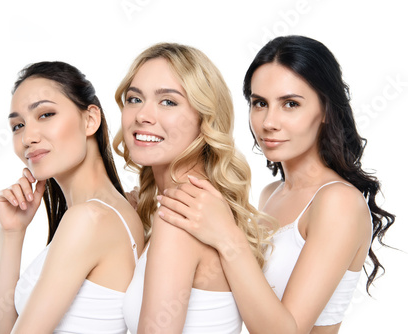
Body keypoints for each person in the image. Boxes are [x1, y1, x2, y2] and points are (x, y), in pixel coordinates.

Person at [157, 35, 396, 333]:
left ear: (325, 110)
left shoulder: (338, 202)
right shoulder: (271, 194)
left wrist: (228, 237)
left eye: (290, 104)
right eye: (259, 103)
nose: (269, 122)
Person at [112, 42, 271, 333]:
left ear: (204, 119)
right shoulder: (193, 204)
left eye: (168, 102)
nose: (142, 116)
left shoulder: (181, 215)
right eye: (134, 99)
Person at [0, 61, 144, 334]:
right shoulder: (108, 212)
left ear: (90, 120)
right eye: (17, 126)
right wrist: (11, 233)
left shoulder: (89, 219)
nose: (28, 137)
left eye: (46, 114)